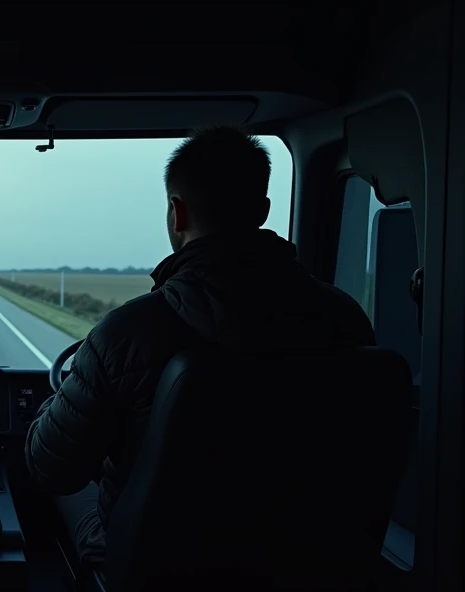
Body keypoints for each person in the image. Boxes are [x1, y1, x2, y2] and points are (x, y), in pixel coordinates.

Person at [23, 125, 376, 568]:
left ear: (177, 213)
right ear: (263, 210)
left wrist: (62, 401)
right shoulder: (346, 319)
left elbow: (50, 468)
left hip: (160, 565)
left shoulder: (128, 332)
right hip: (309, 560)